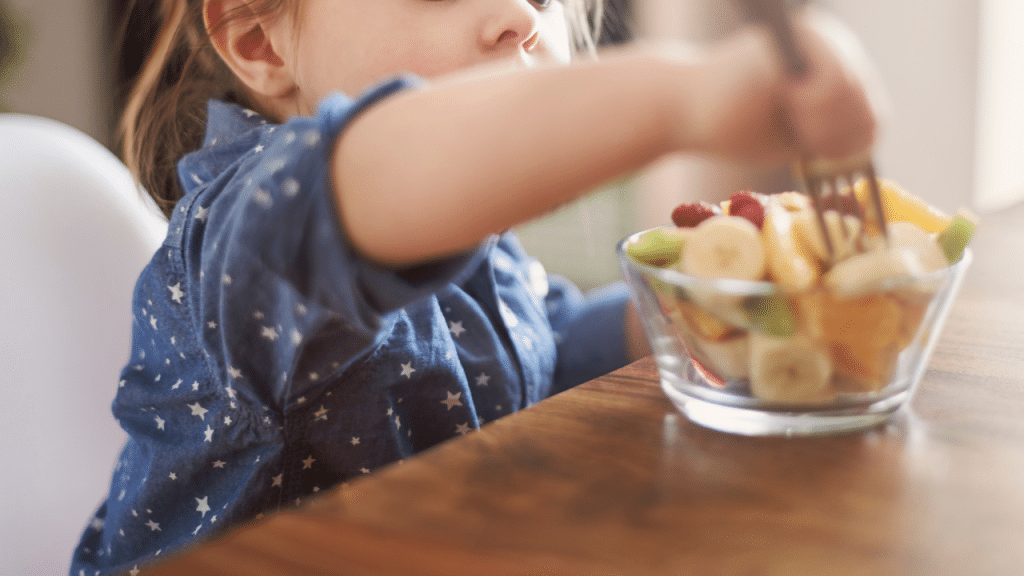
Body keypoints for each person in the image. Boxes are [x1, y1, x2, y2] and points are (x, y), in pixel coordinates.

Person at [71, 0, 876, 573]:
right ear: (260, 45)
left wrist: (701, 299)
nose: (521, 16)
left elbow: (545, 352)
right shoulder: (249, 233)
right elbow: (380, 164)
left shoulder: (475, 243)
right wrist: (680, 94)